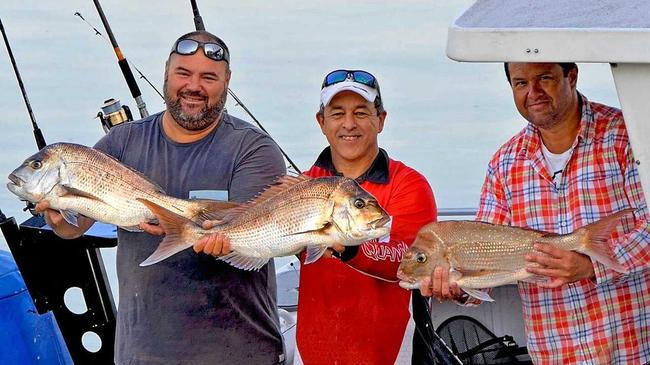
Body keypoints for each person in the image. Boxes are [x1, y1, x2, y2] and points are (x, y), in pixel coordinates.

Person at [37, 31, 287, 364]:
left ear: (227, 81)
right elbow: (74, 226)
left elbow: (249, 234)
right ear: (166, 74)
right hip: (141, 353)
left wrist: (207, 233)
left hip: (238, 351)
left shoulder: (254, 149)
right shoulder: (121, 143)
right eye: (183, 73)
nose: (193, 86)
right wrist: (58, 216)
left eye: (208, 77)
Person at [422, 62, 650, 364]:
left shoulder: (627, 136)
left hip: (635, 348)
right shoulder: (504, 163)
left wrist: (589, 267)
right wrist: (458, 287)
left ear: (572, 75)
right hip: (554, 353)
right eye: (520, 83)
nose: (533, 93)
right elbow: (484, 259)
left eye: (544, 78)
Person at [293, 69, 437, 365]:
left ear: (381, 119)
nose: (349, 124)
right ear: (321, 122)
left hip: (390, 353)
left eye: (361, 112)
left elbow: (410, 261)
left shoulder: (409, 184)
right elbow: (268, 241)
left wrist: (351, 249)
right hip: (312, 353)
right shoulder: (303, 185)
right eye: (337, 113)